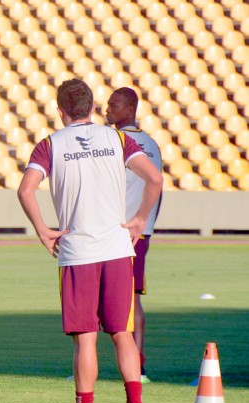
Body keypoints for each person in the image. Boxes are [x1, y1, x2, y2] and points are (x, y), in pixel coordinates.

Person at [17, 79, 162, 403]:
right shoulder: (116, 139)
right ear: (94, 107)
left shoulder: (50, 144)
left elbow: (25, 190)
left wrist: (42, 229)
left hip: (78, 250)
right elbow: (154, 179)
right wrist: (141, 218)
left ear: (60, 108)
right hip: (116, 249)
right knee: (122, 333)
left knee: (85, 338)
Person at [106, 87, 163, 384]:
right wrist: (149, 225)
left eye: (113, 105)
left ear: (129, 109)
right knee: (132, 297)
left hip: (122, 231)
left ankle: (137, 366)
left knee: (126, 299)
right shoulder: (151, 144)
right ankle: (136, 363)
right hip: (141, 231)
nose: (107, 109)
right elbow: (158, 188)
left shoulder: (119, 143)